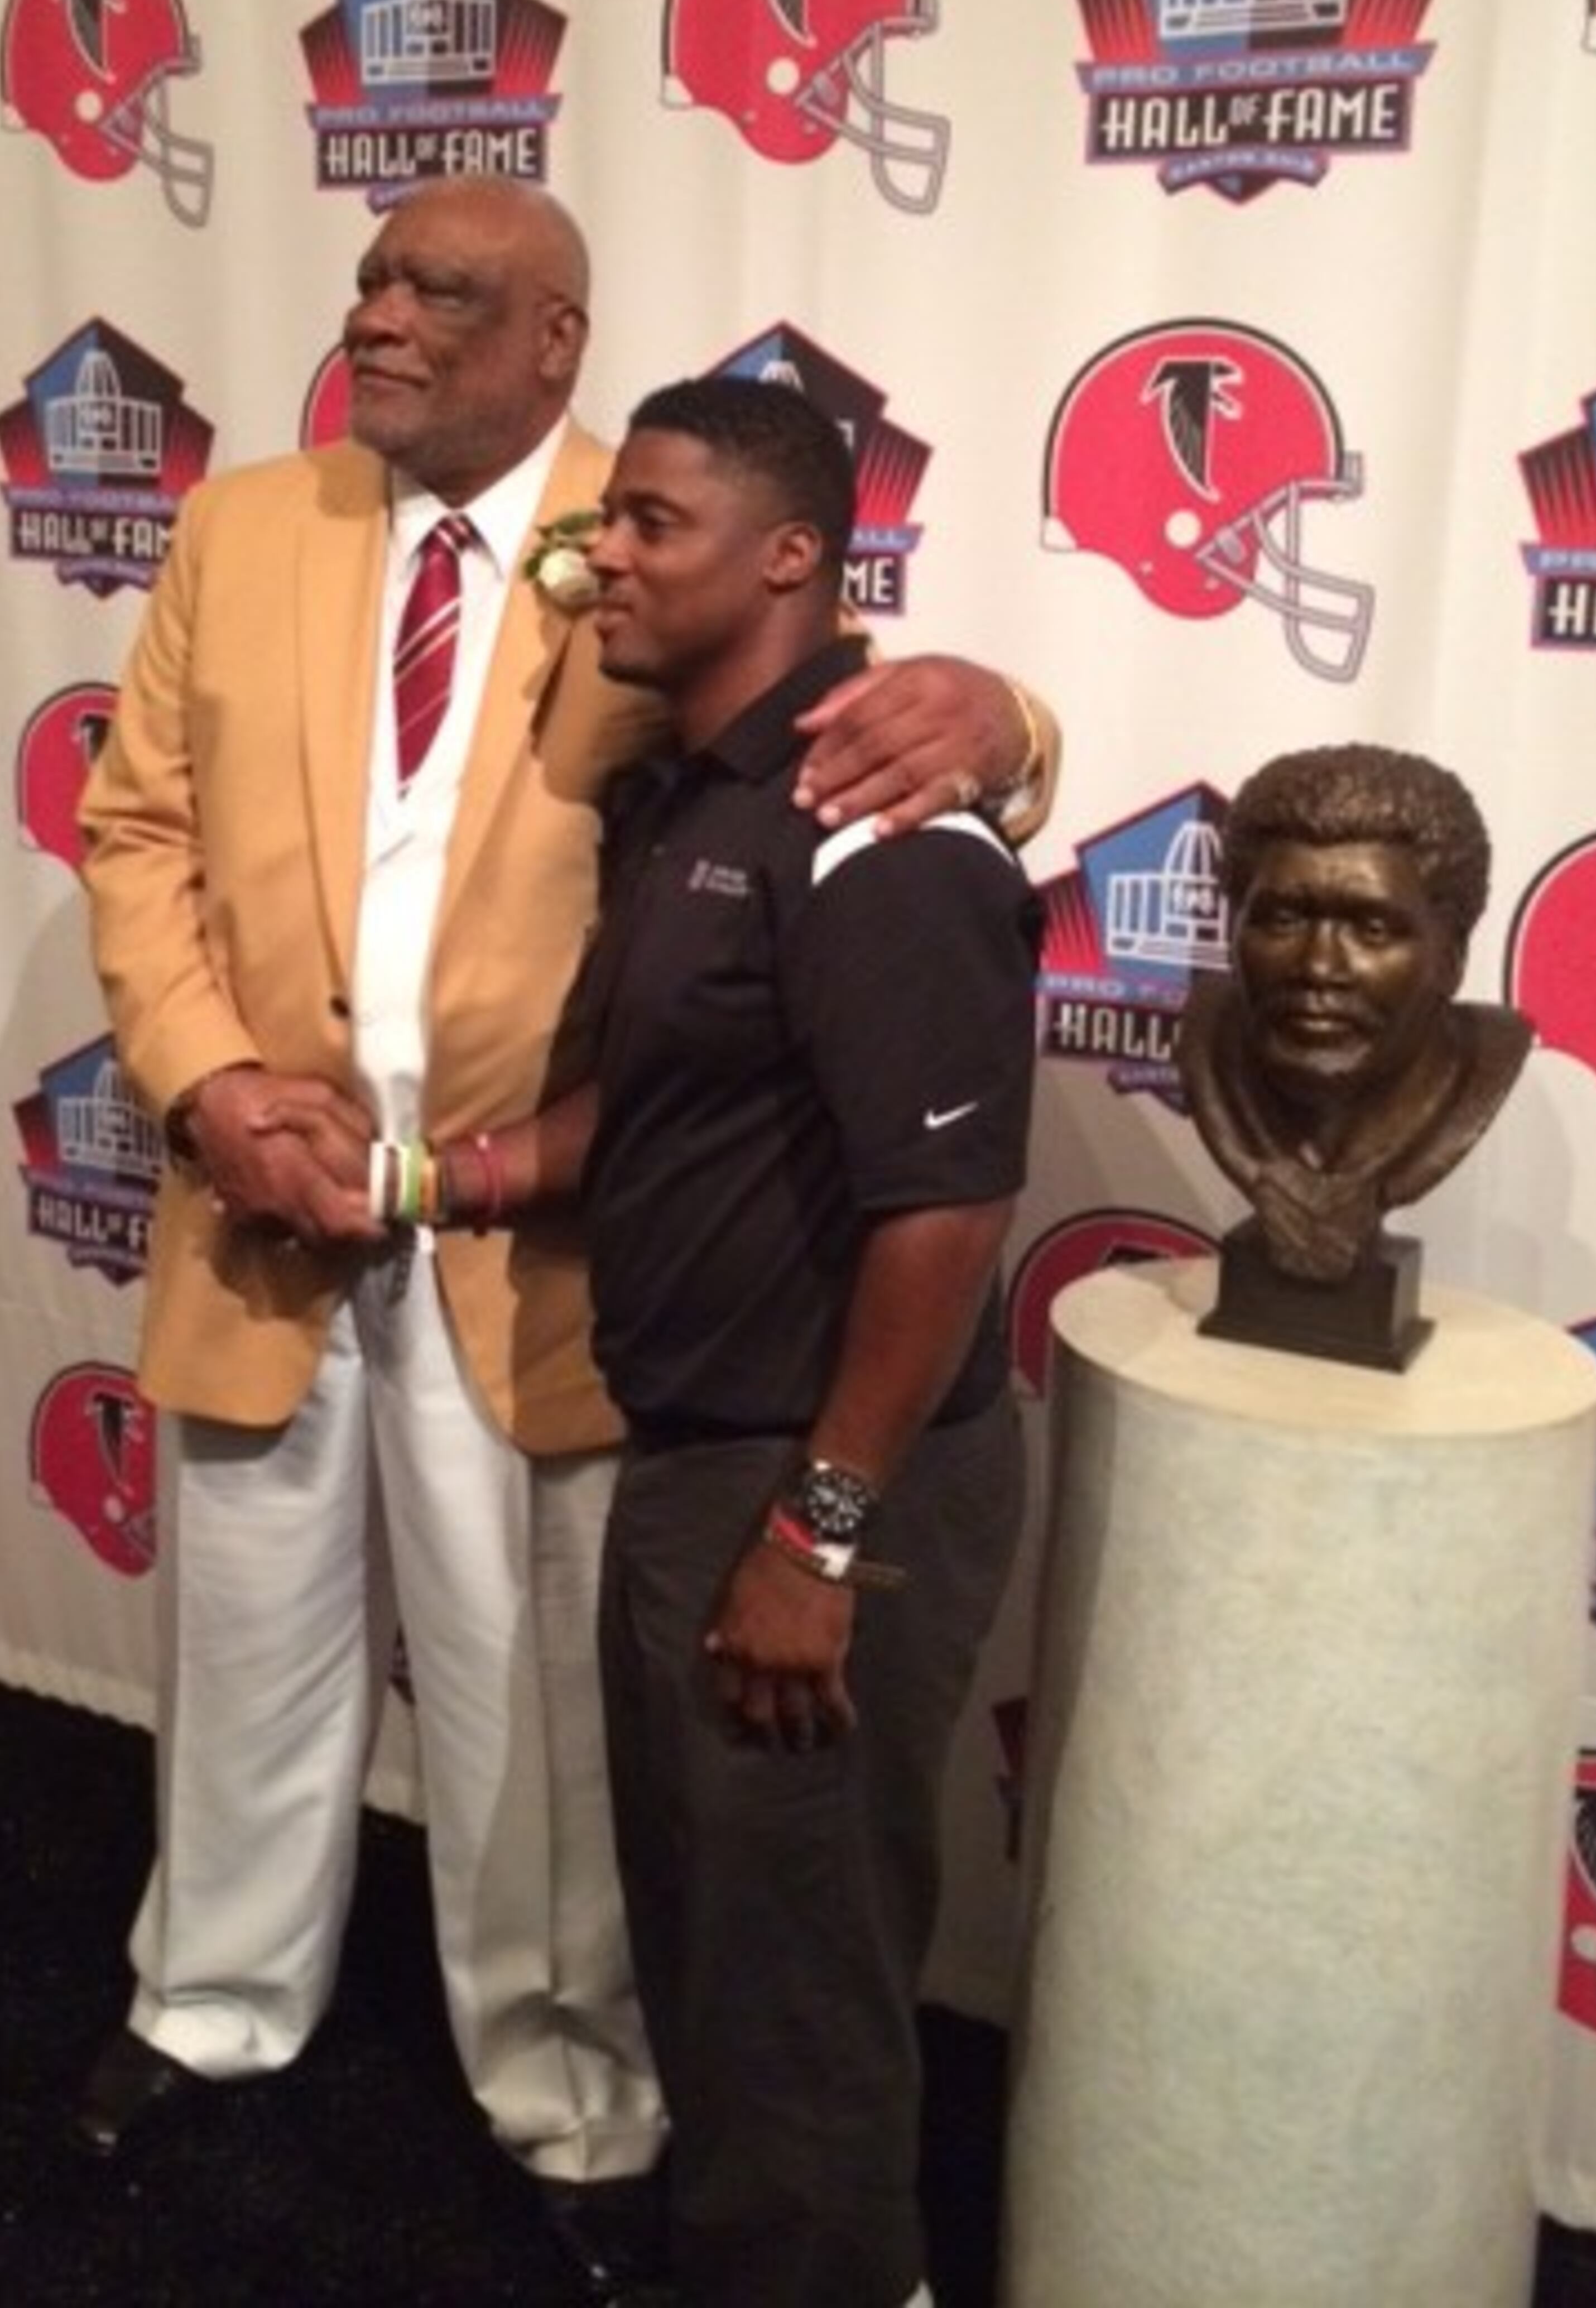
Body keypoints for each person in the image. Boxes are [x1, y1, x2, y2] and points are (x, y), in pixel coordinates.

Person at [73, 176, 1058, 2296]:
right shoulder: (246, 526)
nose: (383, 316)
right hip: (271, 1195)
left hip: (545, 1231)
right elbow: (136, 824)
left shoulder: (666, 522)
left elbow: (873, 729)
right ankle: (213, 1998)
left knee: (537, 1696)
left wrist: (1001, 716)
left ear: (555, 340)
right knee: (244, 1638)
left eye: (442, 291)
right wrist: (210, 1089)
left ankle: (566, 2081)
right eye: (368, 280)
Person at [372, 375, 1041, 2308]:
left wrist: (815, 1535)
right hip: (709, 1470)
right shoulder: (699, 794)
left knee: (794, 1979)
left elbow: (943, 1212)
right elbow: (664, 1108)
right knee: (726, 1951)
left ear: (792, 557)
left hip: (818, 1483)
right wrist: (435, 1184)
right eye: (604, 521)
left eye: (652, 523)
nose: (600, 557)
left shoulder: (883, 827)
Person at [1176, 742, 1531, 1285]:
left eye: (1373, 929)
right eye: (1284, 919)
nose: (1318, 965)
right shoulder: (1209, 1038)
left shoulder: (1480, 1065)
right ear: (1235, 928)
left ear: (1452, 956)